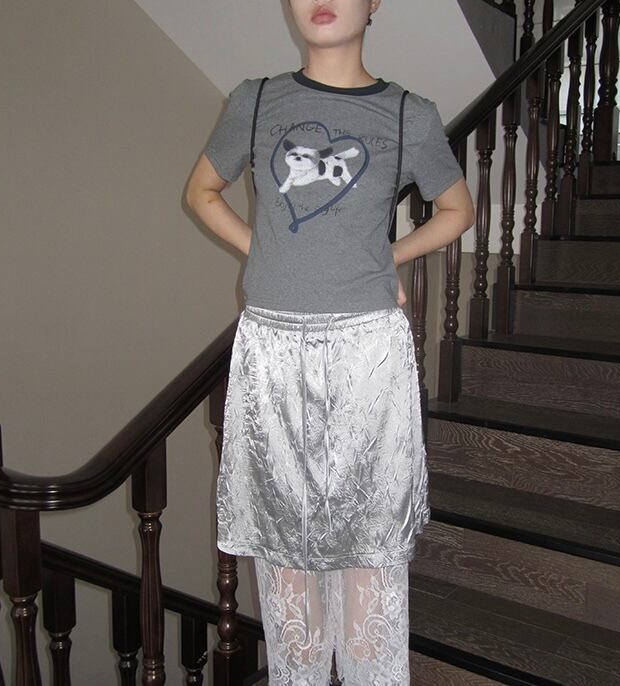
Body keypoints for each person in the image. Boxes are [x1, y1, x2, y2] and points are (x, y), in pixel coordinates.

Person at [185, 1, 475, 683]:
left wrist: (387, 257)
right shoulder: (255, 101)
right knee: (286, 563)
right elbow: (202, 192)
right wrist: (264, 254)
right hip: (271, 353)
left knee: (370, 556)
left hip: (366, 353)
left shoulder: (408, 114)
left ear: (375, 3)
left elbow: (458, 210)